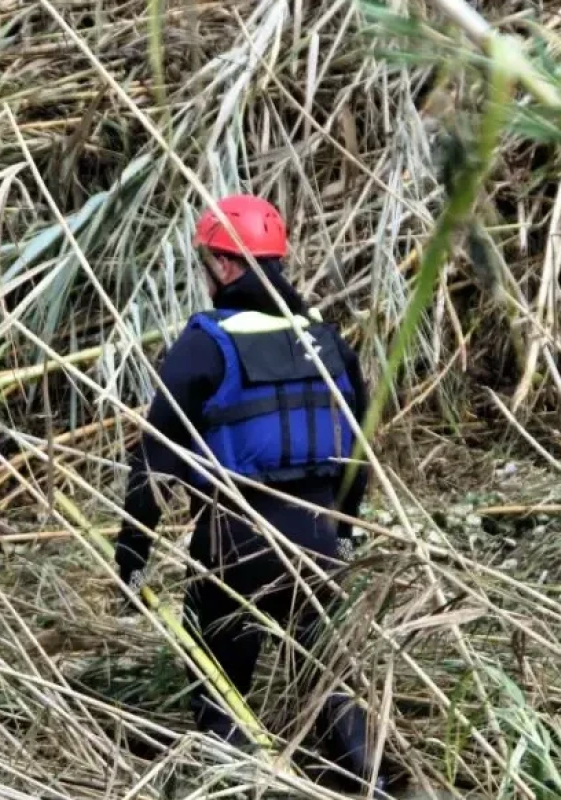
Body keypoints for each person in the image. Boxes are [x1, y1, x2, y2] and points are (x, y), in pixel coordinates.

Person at [114, 194, 393, 794]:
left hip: (235, 542)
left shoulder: (204, 345)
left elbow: (153, 465)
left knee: (220, 684)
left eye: (206, 261)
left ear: (224, 266)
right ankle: (368, 778)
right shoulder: (328, 342)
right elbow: (359, 454)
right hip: (319, 541)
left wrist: (131, 562)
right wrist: (342, 537)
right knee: (325, 676)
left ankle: (236, 774)